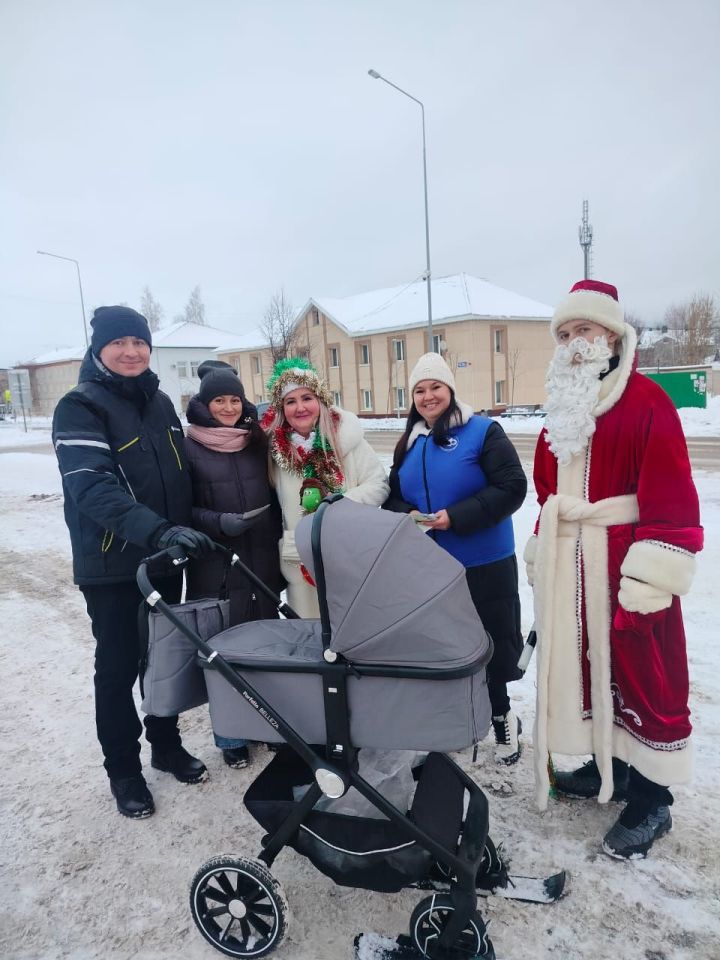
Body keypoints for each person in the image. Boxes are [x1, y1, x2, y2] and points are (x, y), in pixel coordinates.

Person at [525, 279, 703, 859]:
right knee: (588, 670)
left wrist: (649, 578)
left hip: (626, 564)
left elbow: (673, 501)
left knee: (644, 676)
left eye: (587, 330)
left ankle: (653, 801)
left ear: (613, 335)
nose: (577, 343)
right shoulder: (563, 409)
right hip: (574, 565)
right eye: (567, 333)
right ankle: (613, 765)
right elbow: (547, 493)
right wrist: (541, 550)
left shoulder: (649, 402)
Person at [52, 306, 217, 819]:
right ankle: (123, 770)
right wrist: (160, 530)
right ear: (98, 349)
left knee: (164, 661)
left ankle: (165, 746)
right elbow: (92, 488)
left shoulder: (162, 402)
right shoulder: (79, 406)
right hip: (113, 567)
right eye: (118, 342)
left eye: (139, 342)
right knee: (119, 667)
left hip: (166, 557)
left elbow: (181, 476)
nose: (130, 351)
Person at [383, 352, 527, 764]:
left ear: (450, 390)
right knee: (448, 646)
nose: (428, 397)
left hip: (485, 561)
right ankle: (462, 718)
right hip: (432, 567)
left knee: (492, 642)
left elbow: (512, 486)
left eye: (436, 387)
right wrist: (404, 514)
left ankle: (501, 714)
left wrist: (457, 517)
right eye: (420, 390)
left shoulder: (483, 432)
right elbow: (394, 496)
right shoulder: (410, 443)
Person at [184, 360, 284, 769]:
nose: (228, 407)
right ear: (204, 405)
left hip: (261, 559)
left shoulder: (257, 441)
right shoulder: (188, 445)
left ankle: (269, 724)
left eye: (234, 399)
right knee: (223, 652)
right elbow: (182, 509)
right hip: (217, 564)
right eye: (218, 400)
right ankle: (230, 736)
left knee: (267, 648)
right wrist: (217, 523)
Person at [261, 357, 389, 618]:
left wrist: (339, 502)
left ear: (320, 400)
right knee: (308, 637)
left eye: (306, 398)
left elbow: (378, 485)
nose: (300, 408)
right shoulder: (275, 454)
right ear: (281, 408)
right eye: (290, 401)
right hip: (299, 560)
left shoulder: (347, 440)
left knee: (351, 634)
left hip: (348, 556)